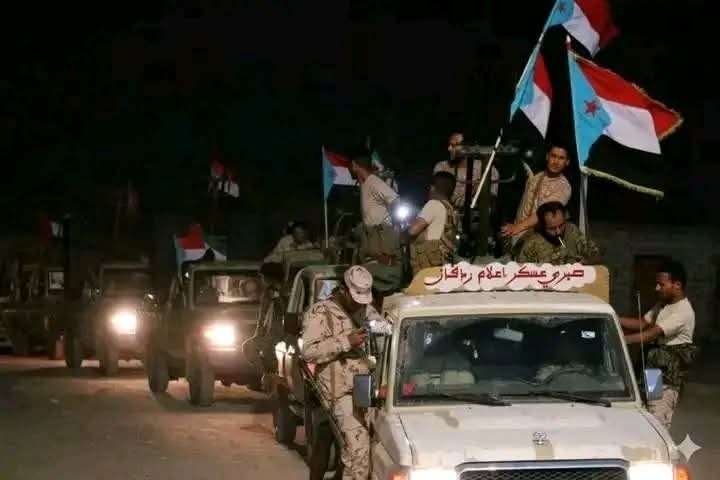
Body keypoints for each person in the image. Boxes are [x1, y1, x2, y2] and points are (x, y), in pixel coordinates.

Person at [301, 266, 384, 480]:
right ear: (344, 290)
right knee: (357, 452)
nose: (359, 305)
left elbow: (384, 334)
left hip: (365, 388)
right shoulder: (320, 313)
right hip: (338, 392)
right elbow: (309, 352)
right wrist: (345, 341)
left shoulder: (366, 310)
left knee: (374, 448)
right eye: (356, 299)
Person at [620, 260, 698, 429]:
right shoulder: (664, 305)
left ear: (677, 285)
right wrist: (614, 318)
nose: (656, 288)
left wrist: (619, 340)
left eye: (661, 284)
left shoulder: (683, 311)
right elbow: (642, 323)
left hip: (667, 380)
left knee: (658, 422)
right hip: (654, 374)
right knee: (648, 413)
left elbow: (650, 334)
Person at [350, 153, 402, 293]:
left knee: (383, 276)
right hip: (371, 237)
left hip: (381, 237)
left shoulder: (373, 181)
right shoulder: (365, 183)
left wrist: (394, 227)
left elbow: (394, 200)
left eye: (350, 166)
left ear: (354, 165)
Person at [501, 144, 572, 244]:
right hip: (517, 231)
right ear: (547, 156)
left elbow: (544, 213)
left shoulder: (563, 187)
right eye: (553, 156)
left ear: (567, 162)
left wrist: (517, 227)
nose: (556, 162)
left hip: (536, 238)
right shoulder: (538, 175)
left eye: (561, 158)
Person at [515, 202, 600, 265]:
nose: (558, 232)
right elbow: (521, 272)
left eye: (561, 225)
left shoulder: (571, 230)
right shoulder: (531, 243)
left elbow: (595, 255)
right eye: (552, 228)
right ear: (542, 226)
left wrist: (586, 262)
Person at [407, 171, 459, 274]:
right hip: (442, 262)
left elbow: (412, 231)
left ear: (432, 188)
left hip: (428, 265)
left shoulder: (433, 204)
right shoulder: (450, 209)